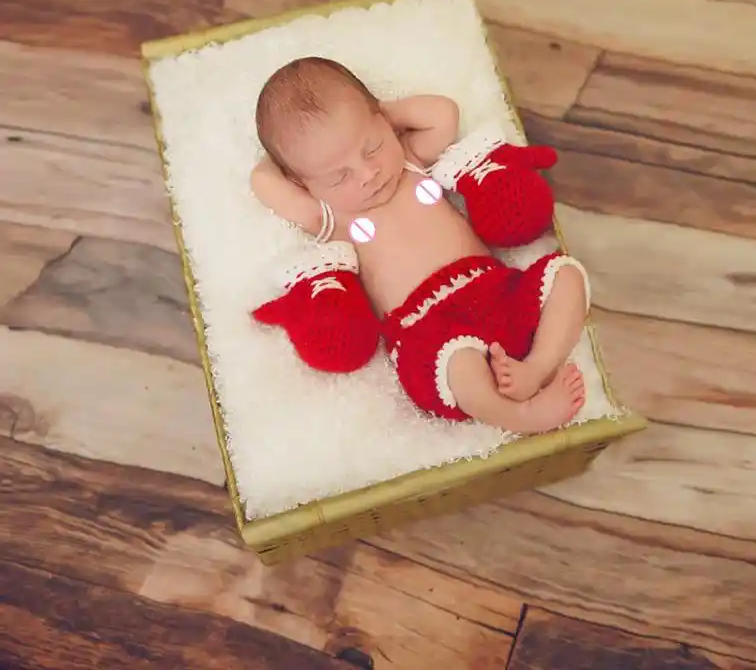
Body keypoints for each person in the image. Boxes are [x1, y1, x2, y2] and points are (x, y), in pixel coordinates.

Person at [249, 56, 590, 434]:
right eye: (339, 175)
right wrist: (297, 156)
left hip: (496, 287)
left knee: (567, 274)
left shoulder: (411, 161)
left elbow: (443, 113)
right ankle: (520, 416)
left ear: (385, 123)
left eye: (372, 147)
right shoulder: (331, 217)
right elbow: (263, 181)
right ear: (303, 185)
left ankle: (537, 368)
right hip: (428, 328)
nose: (368, 174)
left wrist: (377, 113)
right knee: (461, 365)